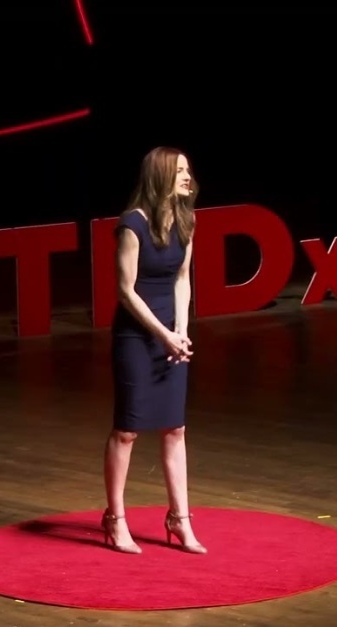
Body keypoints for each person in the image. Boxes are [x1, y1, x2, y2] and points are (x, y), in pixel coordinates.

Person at [101, 146, 207, 555]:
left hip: (170, 333)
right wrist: (163, 334)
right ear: (159, 176)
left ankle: (180, 519)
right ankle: (115, 519)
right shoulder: (132, 225)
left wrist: (181, 330)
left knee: (175, 428)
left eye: (187, 169)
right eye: (179, 170)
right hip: (136, 335)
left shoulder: (187, 221)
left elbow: (182, 279)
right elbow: (125, 291)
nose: (187, 176)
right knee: (127, 430)